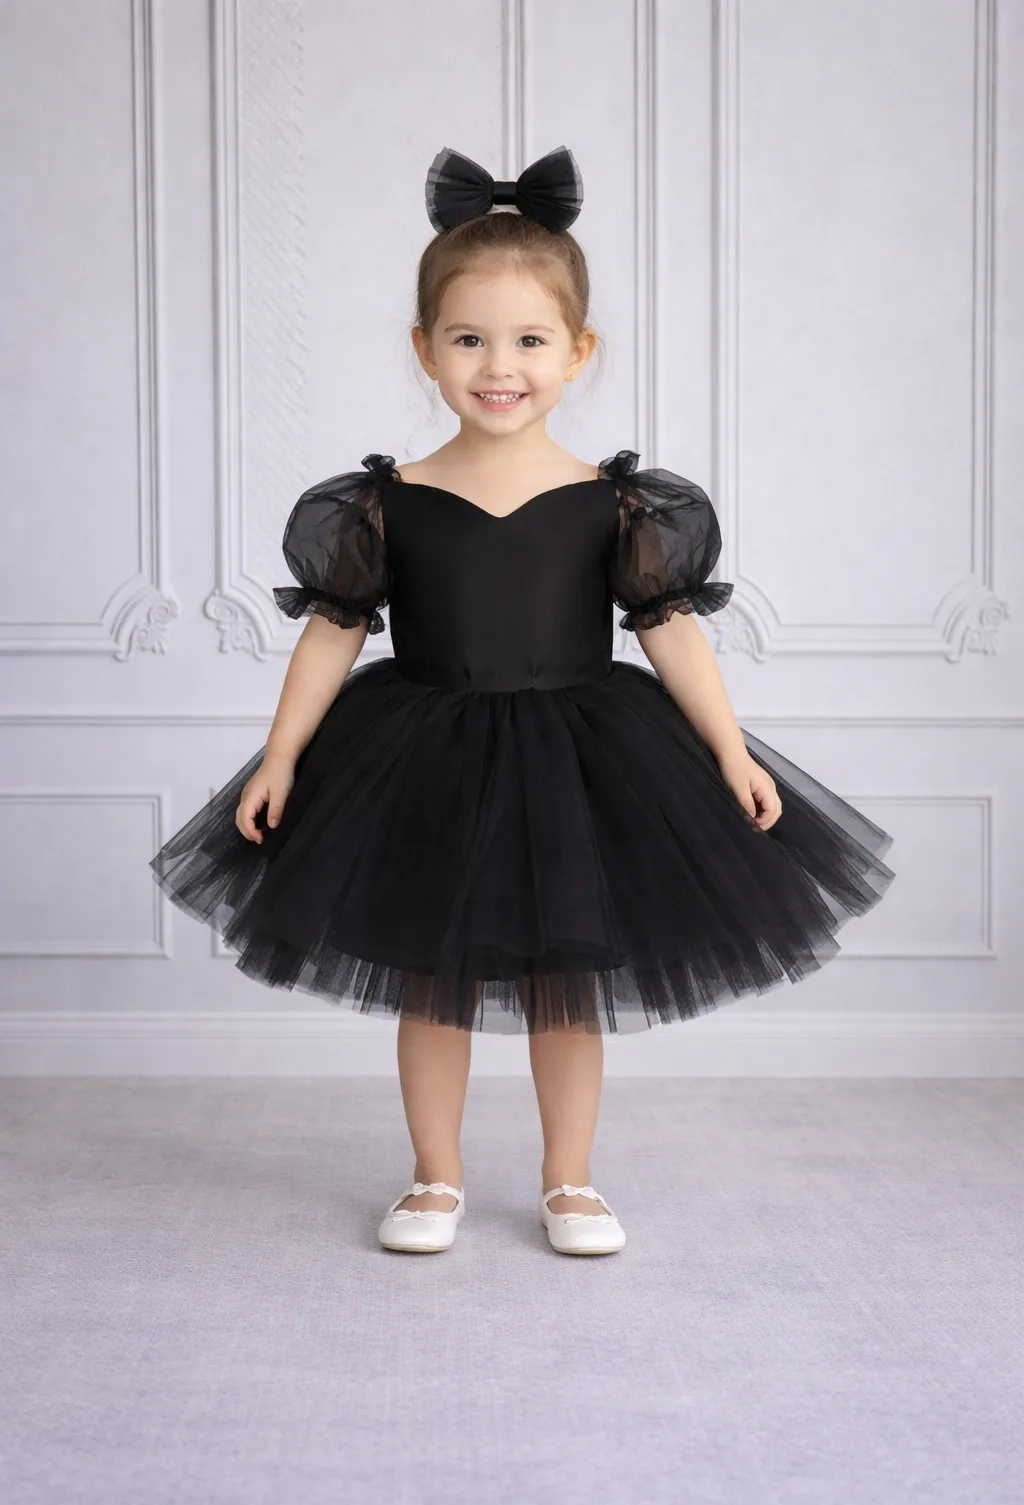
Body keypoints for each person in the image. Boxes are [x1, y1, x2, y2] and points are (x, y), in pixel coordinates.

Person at [151, 145, 895, 1259]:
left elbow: (669, 630)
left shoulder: (613, 502)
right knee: (430, 980)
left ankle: (570, 1182)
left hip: (578, 759)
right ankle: (434, 1178)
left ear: (578, 352)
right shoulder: (389, 501)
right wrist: (282, 756)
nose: (499, 366)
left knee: (566, 987)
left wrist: (731, 752)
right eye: (468, 340)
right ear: (424, 350)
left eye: (530, 341)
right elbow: (333, 632)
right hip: (421, 755)